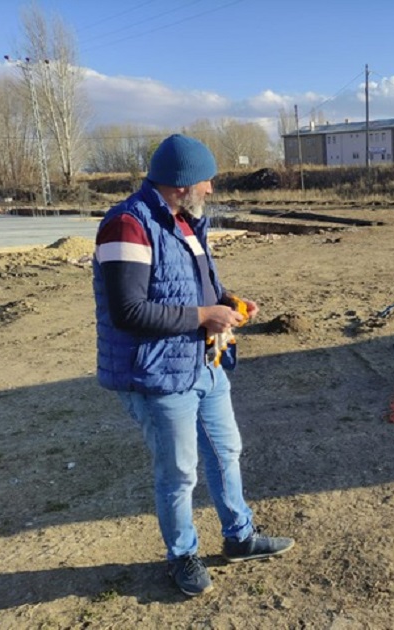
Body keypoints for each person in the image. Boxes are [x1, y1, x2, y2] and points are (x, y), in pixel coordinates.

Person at [92, 134, 294, 597]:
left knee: (226, 453)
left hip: (204, 364)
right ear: (182, 184)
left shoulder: (184, 223)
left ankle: (240, 537)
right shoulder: (127, 226)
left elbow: (200, 286)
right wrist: (205, 316)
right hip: (158, 375)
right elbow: (129, 311)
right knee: (179, 472)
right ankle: (182, 555)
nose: (211, 190)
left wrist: (228, 301)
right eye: (207, 181)